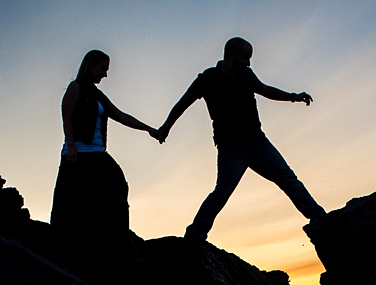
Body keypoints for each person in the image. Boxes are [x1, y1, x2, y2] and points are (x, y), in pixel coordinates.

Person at [155, 37, 325, 241]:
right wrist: (165, 128)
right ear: (231, 56)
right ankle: (195, 234)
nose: (249, 63)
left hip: (258, 142)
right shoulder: (208, 78)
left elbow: (265, 90)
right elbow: (182, 104)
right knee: (222, 192)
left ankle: (319, 218)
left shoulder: (247, 75)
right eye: (245, 58)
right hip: (232, 148)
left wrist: (293, 96)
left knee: (289, 180)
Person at [50, 50, 162, 240]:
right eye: (103, 69)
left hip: (97, 153)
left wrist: (149, 129)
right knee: (70, 200)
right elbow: (66, 117)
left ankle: (118, 236)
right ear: (91, 65)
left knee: (117, 185)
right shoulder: (75, 87)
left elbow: (120, 116)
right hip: (77, 153)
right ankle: (62, 241)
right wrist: (70, 145)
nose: (105, 74)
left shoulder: (98, 95)